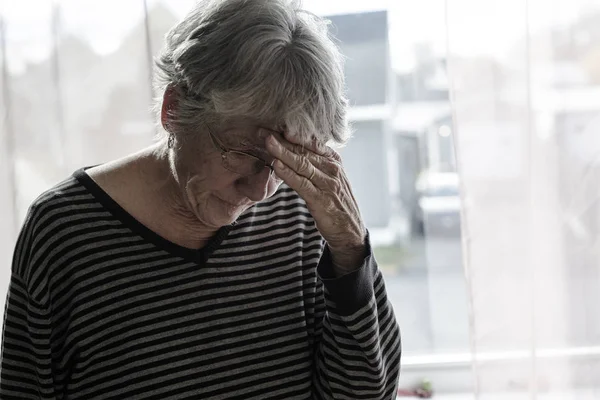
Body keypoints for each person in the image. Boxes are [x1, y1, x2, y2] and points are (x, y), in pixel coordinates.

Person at [0, 0, 401, 398]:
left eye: (285, 162)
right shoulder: (65, 232)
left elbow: (367, 394)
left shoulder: (301, 212)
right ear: (174, 110)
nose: (261, 190)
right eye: (245, 152)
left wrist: (349, 250)